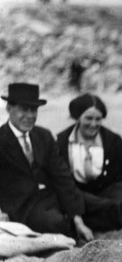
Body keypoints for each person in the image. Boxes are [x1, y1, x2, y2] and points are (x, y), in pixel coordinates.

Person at [0, 83, 93, 242]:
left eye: (34, 110)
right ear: (9, 108)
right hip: (21, 209)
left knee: (99, 205)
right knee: (55, 222)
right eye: (24, 109)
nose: (30, 116)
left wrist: (78, 219)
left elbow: (61, 176)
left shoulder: (43, 136)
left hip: (50, 198)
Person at [57, 93, 122, 232]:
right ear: (77, 117)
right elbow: (58, 178)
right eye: (88, 118)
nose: (93, 124)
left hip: (110, 190)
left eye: (98, 119)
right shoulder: (62, 141)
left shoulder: (112, 140)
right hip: (80, 195)